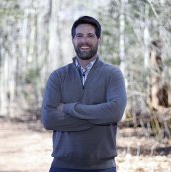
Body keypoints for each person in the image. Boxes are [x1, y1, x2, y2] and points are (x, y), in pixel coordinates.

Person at [41, 16, 127, 172]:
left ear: (99, 39)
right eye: (79, 35)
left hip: (103, 167)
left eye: (90, 36)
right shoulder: (58, 76)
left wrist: (69, 108)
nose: (84, 41)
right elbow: (49, 119)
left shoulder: (113, 75)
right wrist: (99, 116)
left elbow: (114, 112)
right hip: (62, 166)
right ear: (73, 40)